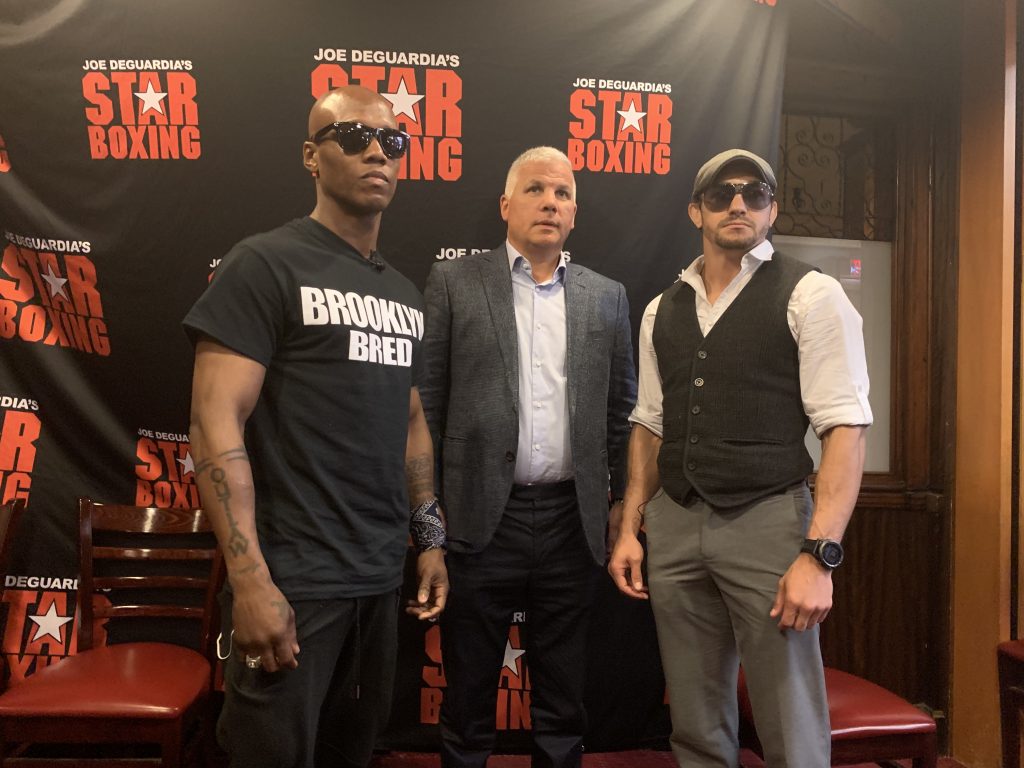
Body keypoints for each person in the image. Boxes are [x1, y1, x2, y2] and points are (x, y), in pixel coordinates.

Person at [184, 85, 448, 768]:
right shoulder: (265, 264)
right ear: (311, 156)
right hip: (293, 579)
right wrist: (249, 582)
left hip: (377, 581)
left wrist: (428, 539)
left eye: (392, 141)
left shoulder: (403, 294)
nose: (377, 153)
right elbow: (214, 420)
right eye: (355, 137)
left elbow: (411, 422)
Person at [608, 148, 872, 767]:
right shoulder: (662, 308)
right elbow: (650, 425)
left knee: (789, 720)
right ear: (696, 210)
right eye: (721, 193)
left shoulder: (812, 293)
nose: (738, 204)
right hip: (674, 524)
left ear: (771, 210)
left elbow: (844, 429)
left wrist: (819, 555)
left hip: (768, 521)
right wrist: (630, 527)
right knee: (695, 720)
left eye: (754, 194)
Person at [419, 146, 636, 768]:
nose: (550, 202)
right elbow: (426, 406)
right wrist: (428, 519)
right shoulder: (454, 283)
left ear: (574, 213)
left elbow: (622, 413)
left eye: (563, 193)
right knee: (467, 694)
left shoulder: (607, 296)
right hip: (480, 518)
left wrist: (623, 505)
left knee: (563, 701)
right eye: (536, 189)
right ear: (505, 205)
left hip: (573, 521)